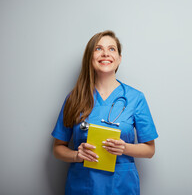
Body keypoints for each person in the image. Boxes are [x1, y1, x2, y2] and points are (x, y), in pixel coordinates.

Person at [51, 30, 158, 195]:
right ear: (90, 57)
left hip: (121, 186)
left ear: (119, 58)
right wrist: (76, 156)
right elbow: (58, 148)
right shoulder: (74, 97)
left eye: (112, 49)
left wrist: (124, 148)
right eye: (98, 49)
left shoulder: (135, 98)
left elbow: (150, 150)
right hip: (83, 186)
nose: (105, 53)